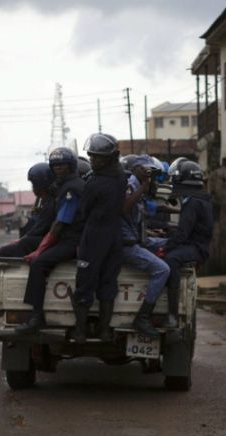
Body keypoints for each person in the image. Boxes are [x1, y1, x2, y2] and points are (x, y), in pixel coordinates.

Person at [14, 147, 86, 335]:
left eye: (62, 165)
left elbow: (60, 223)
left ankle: (36, 317)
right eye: (55, 166)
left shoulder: (72, 188)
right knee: (27, 244)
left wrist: (40, 251)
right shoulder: (62, 186)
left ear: (71, 165)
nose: (58, 169)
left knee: (38, 264)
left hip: (72, 240)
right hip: (66, 238)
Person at [69, 133, 127, 343]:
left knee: (84, 284)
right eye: (91, 156)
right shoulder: (121, 178)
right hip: (114, 236)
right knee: (108, 284)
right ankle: (104, 332)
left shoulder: (94, 184)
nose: (92, 160)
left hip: (94, 236)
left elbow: (84, 211)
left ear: (109, 158)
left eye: (97, 158)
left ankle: (80, 332)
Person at [151, 159, 214, 329]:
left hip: (196, 247)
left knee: (171, 259)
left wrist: (166, 247)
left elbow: (183, 233)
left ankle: (172, 314)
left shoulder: (192, 202)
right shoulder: (200, 198)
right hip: (196, 244)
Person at [120, 154, 173, 337]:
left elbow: (152, 209)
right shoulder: (129, 185)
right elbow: (124, 208)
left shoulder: (140, 188)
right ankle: (143, 317)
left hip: (138, 239)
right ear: (135, 168)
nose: (148, 173)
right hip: (124, 244)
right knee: (162, 270)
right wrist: (143, 187)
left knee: (174, 243)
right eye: (145, 169)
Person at [0, 162, 56, 258]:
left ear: (41, 183)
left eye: (34, 184)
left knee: (22, 244)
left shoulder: (50, 202)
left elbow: (39, 228)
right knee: (10, 248)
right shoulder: (43, 200)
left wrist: (21, 240)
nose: (32, 187)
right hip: (44, 237)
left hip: (50, 240)